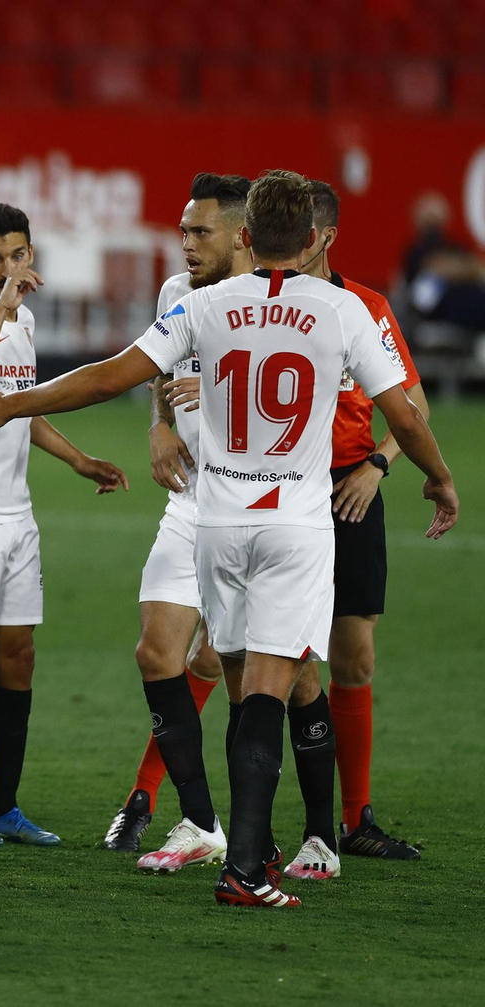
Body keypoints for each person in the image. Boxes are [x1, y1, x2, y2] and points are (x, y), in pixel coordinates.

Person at [0, 169, 459, 907]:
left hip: (218, 522)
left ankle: (238, 843)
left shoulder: (207, 306)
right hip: (294, 524)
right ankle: (246, 867)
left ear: (247, 237)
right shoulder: (342, 309)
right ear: (314, 239)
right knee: (268, 691)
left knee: (233, 675)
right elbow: (405, 416)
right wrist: (437, 478)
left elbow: (105, 377)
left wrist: (13, 405)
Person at [0, 203, 128, 850]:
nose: (9, 268)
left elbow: (18, 409)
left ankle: (4, 806)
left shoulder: (26, 320)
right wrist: (1, 309)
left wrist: (78, 459)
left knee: (18, 659)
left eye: (19, 255)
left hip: (15, 512)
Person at [277, 179, 429, 874]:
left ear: (324, 236)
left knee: (353, 654)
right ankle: (177, 806)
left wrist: (378, 464)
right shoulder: (261, 303)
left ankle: (353, 817)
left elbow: (412, 403)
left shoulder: (366, 307)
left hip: (348, 491)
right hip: (275, 491)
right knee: (243, 655)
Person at [102, 173, 251, 868]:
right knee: (156, 653)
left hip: (257, 509)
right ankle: (194, 818)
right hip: (190, 501)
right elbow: (160, 376)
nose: (186, 244)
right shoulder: (174, 294)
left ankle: (301, 830)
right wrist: (160, 427)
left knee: (229, 664)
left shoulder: (281, 306)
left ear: (242, 234)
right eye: (183, 230)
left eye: (200, 232)